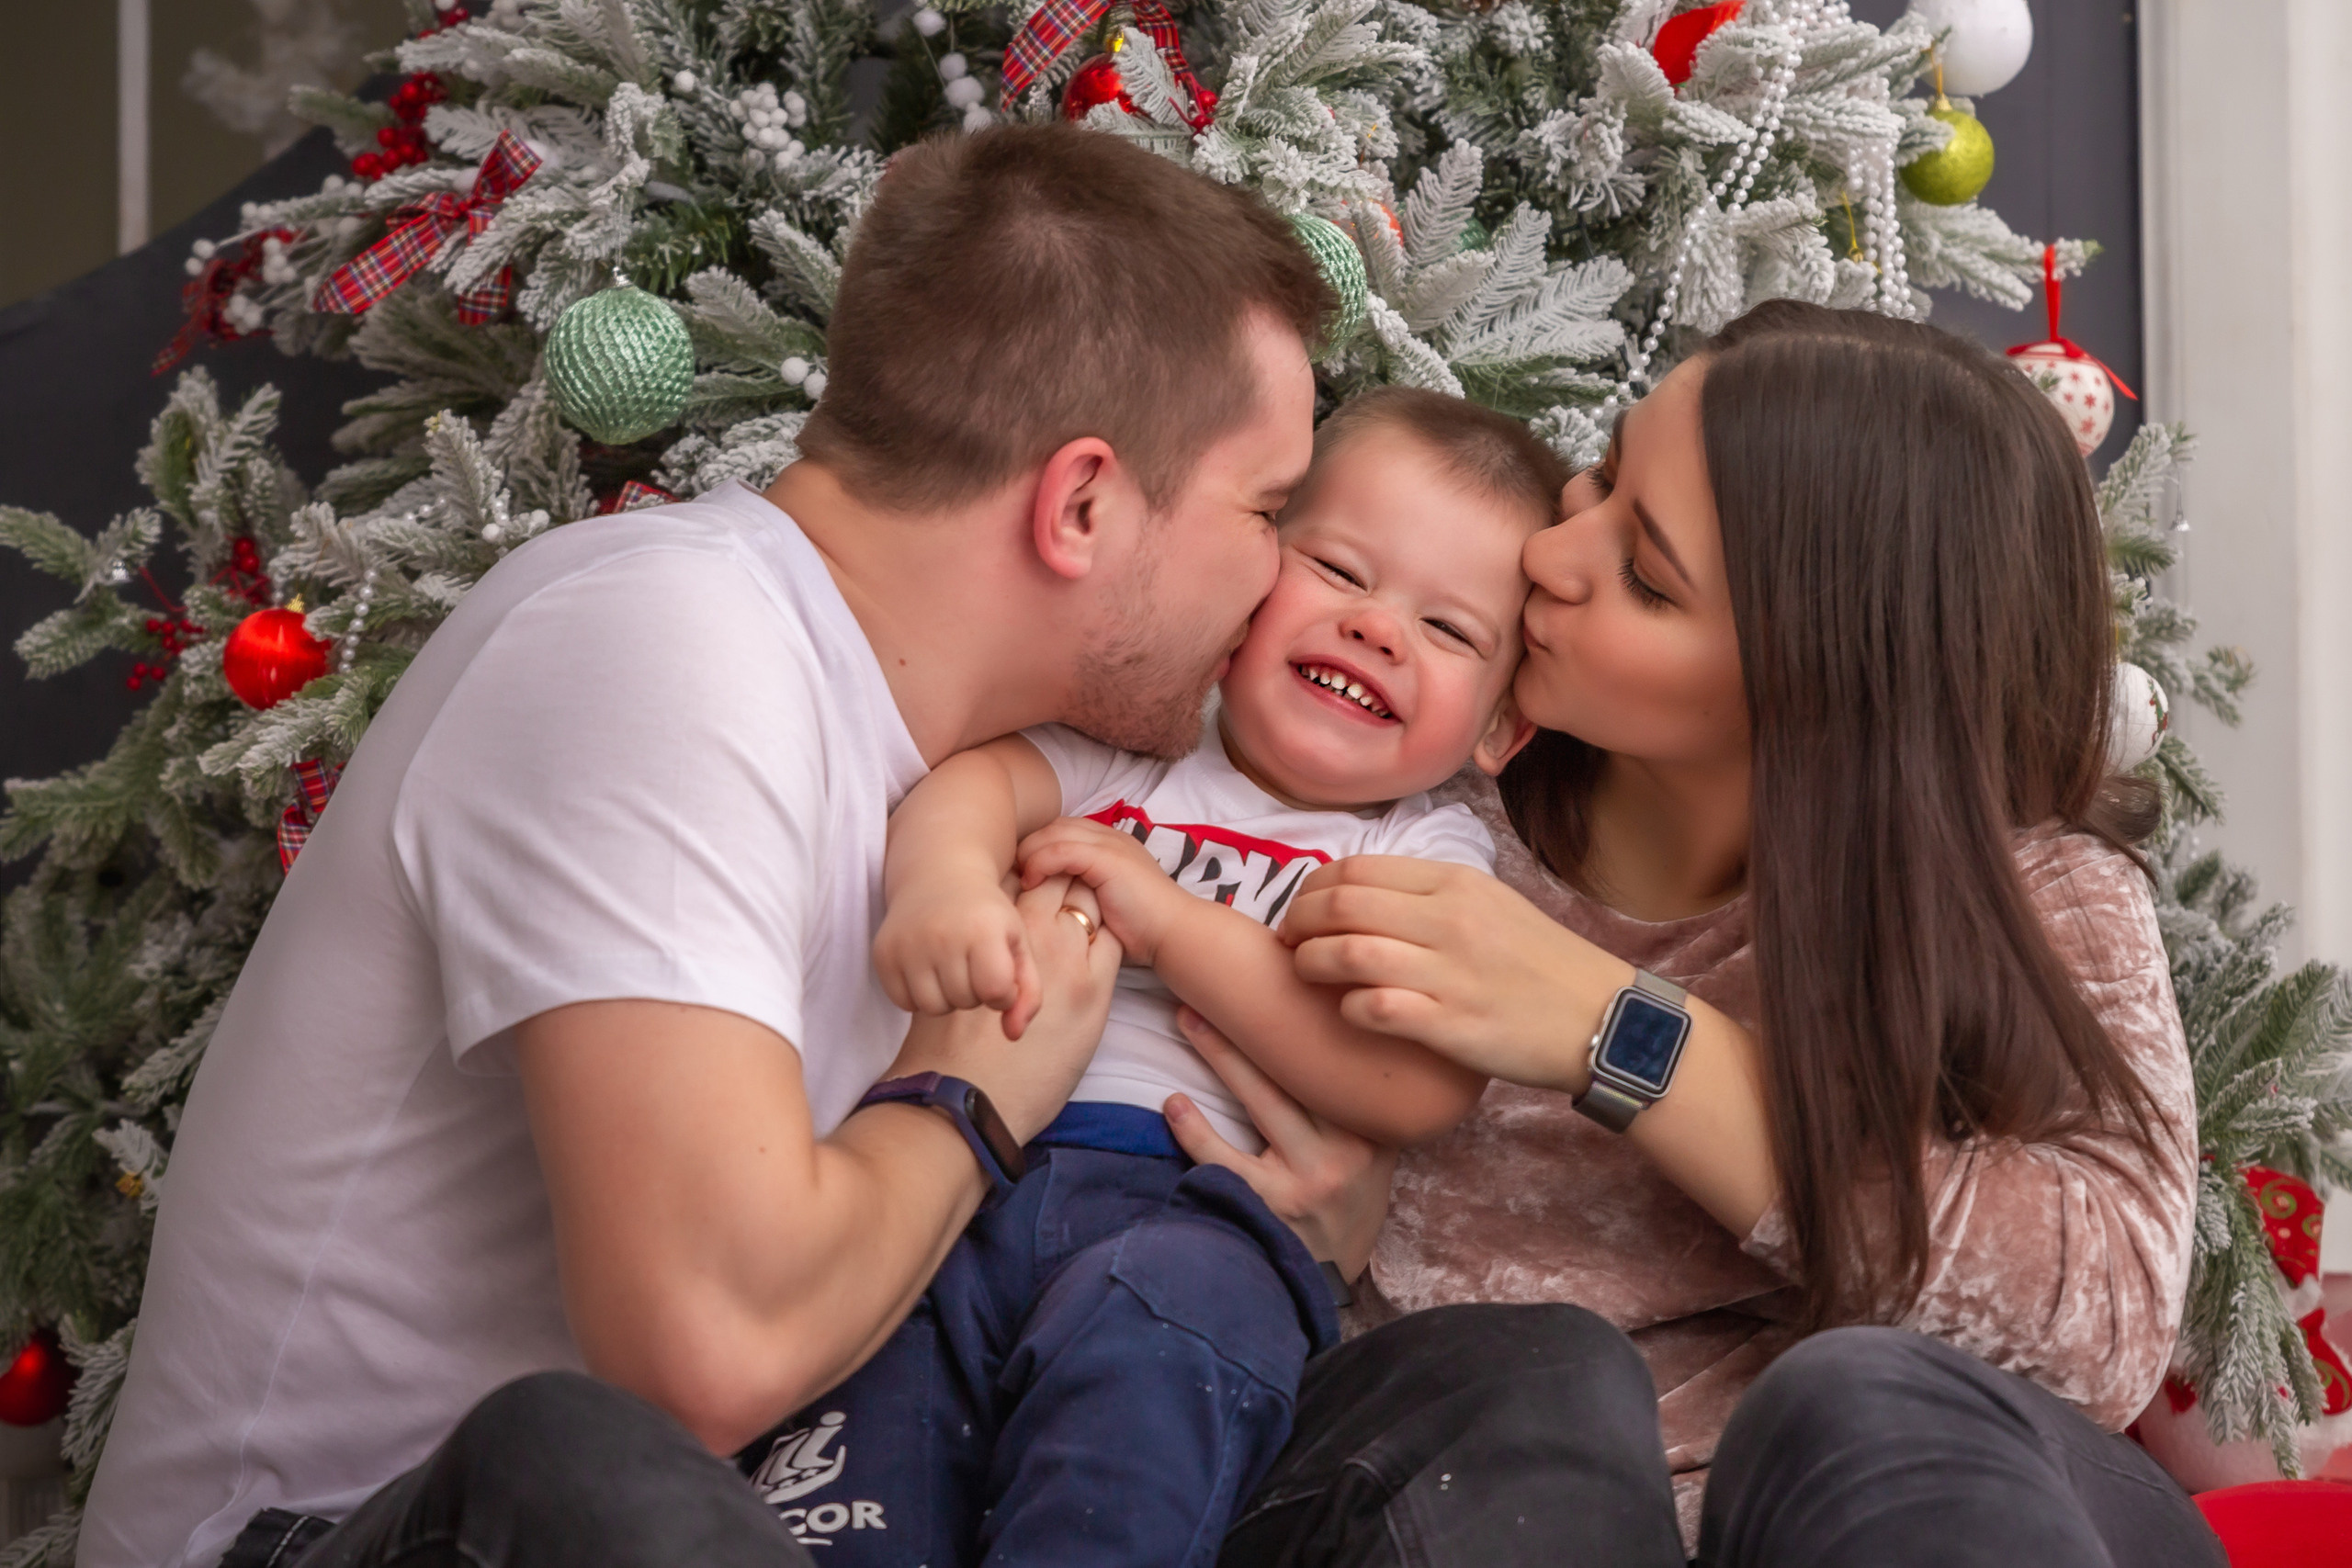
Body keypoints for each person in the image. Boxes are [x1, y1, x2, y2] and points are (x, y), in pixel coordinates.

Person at [76, 123, 1333, 1568]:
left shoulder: (957, 765)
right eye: (1268, 510)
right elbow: (708, 1344)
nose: (1284, 576)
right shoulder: (669, 637)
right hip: (334, 1539)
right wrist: (973, 1092)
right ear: (1085, 504)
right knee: (588, 1458)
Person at [1170, 303, 2226, 1567]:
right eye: (1606, 479)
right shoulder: (1400, 780)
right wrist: (1313, 1258)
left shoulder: (2023, 888)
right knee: (1534, 1380)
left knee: (1865, 1406)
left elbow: (2101, 1325)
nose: (1554, 553)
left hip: (1900, 1503)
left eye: (1646, 576)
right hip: (1474, 1489)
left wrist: (1620, 1033)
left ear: (1813, 687)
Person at [741, 389, 1559, 1567]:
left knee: (1138, 1417)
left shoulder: (1419, 852)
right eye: (1337, 570)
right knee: (870, 1426)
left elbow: (1416, 1083)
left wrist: (1171, 927)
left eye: (1448, 631)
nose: (1379, 628)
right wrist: (945, 890)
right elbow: (972, 791)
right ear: (1256, 570)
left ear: (1498, 734)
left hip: (1199, 1221)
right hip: (959, 1183)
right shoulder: (1143, 734)